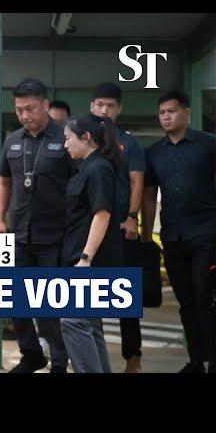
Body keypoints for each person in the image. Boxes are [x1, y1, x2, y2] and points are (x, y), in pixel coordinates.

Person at [0, 77, 72, 373]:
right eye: (19, 110)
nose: (25, 116)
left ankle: (59, 361)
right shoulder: (12, 140)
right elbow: (3, 181)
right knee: (16, 300)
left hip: (55, 236)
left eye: (30, 109)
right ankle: (31, 354)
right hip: (19, 234)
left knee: (50, 305)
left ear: (45, 106)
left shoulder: (65, 137)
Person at [142, 89, 216, 374]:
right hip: (173, 236)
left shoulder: (209, 145)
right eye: (161, 113)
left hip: (206, 233)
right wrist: (148, 236)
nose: (166, 117)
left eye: (171, 111)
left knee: (204, 295)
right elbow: (149, 196)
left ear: (188, 113)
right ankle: (196, 360)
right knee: (185, 300)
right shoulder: (155, 153)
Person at [61, 114, 122, 373]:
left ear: (86, 137)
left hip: (88, 263)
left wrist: (85, 259)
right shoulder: (89, 167)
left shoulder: (98, 169)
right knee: (89, 326)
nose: (65, 145)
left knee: (73, 321)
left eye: (68, 138)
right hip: (82, 260)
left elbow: (102, 213)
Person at [90, 82, 145, 373]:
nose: (104, 110)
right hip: (90, 232)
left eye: (110, 105)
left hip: (121, 229)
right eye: (99, 104)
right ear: (91, 107)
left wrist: (133, 217)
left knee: (126, 297)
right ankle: (93, 360)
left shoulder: (130, 143)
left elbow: (137, 181)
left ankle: (133, 359)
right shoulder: (85, 139)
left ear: (119, 109)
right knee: (88, 297)